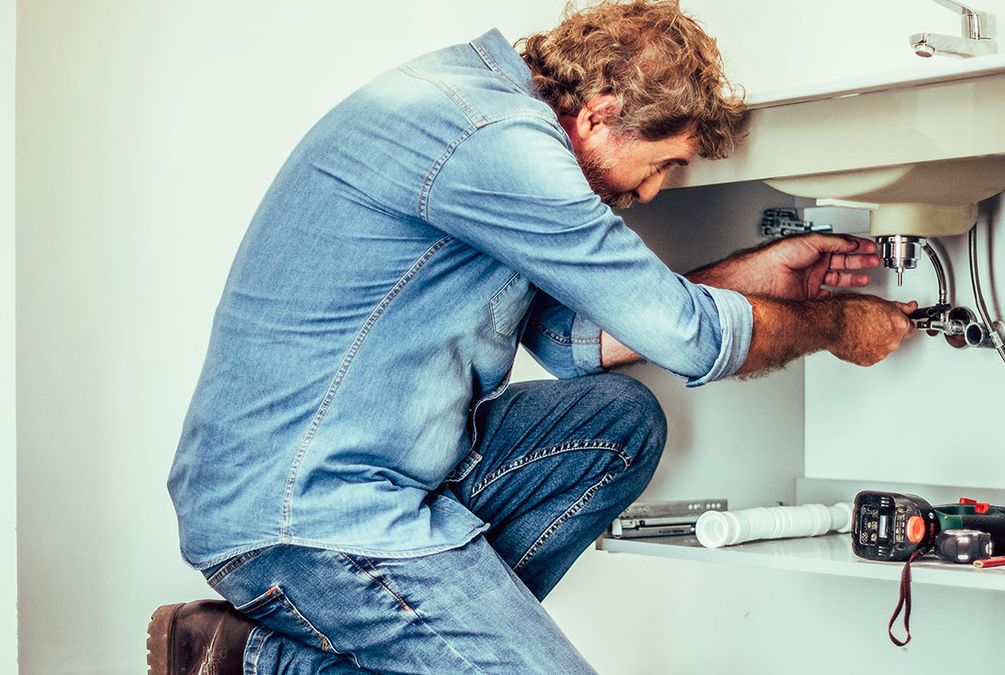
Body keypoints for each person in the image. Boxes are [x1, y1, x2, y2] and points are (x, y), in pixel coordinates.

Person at [148, 2, 915, 673]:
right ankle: (266, 663)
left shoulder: (490, 119)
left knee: (618, 421)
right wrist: (834, 325)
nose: (651, 191)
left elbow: (572, 337)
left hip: (372, 475)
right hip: (309, 512)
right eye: (661, 165)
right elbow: (687, 338)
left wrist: (751, 277)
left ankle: (290, 654)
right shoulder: (495, 141)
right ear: (602, 111)